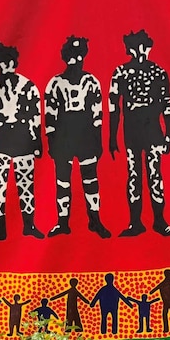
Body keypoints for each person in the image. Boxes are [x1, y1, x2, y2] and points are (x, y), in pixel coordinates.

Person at [108, 29, 170, 237]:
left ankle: (159, 220)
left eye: (143, 47)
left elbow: (167, 105)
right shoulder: (120, 72)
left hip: (153, 130)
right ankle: (135, 222)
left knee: (155, 174)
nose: (140, 51)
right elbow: (114, 106)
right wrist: (112, 136)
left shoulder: (158, 72)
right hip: (132, 131)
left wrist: (168, 134)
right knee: (134, 175)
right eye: (136, 47)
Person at [45, 36, 110, 239]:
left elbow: (97, 113)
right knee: (62, 180)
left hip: (85, 134)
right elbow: (49, 114)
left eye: (79, 57)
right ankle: (63, 221)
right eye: (72, 58)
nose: (76, 62)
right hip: (64, 134)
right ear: (66, 59)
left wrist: (97, 140)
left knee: (90, 178)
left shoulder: (91, 81)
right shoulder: (55, 83)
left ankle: (95, 219)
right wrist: (51, 140)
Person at [0, 41, 44, 242]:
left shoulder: (29, 86)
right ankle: (0, 228)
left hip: (23, 142)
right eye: (3, 62)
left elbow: (36, 115)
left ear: (15, 63)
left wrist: (37, 142)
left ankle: (29, 224)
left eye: (10, 62)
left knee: (26, 185)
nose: (6, 66)